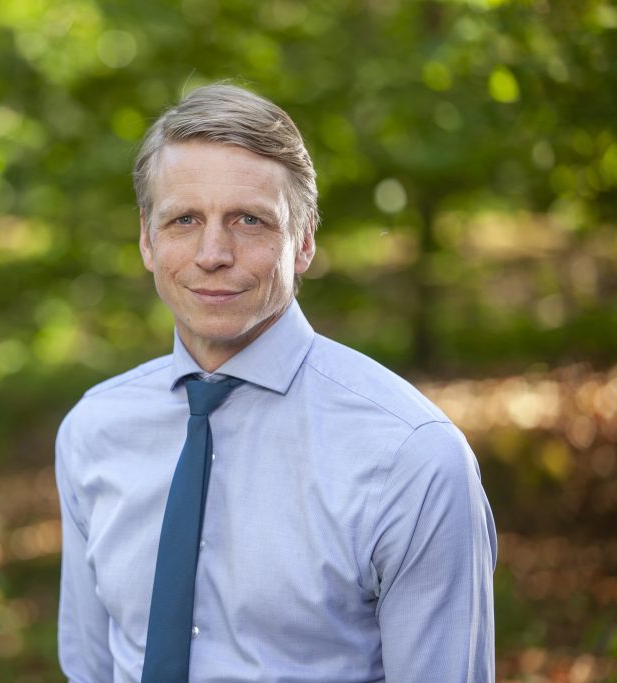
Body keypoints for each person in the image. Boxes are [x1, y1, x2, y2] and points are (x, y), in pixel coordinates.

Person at [55, 83, 496, 683]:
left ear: (304, 240)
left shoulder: (412, 458)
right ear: (147, 239)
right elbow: (91, 668)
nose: (213, 253)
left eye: (249, 220)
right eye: (184, 219)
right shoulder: (93, 431)